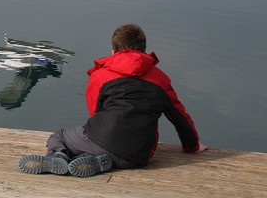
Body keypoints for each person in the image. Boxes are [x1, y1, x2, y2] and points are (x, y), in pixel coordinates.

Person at [18, 23, 207, 177]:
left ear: (114, 50)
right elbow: (179, 117)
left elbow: (95, 113)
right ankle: (100, 161)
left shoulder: (101, 75)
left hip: (102, 141)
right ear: (144, 49)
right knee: (102, 144)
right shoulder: (160, 79)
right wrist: (192, 146)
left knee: (59, 136)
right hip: (139, 156)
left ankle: (59, 156)